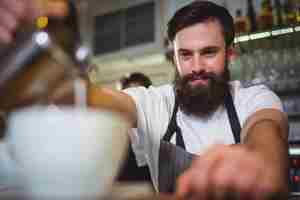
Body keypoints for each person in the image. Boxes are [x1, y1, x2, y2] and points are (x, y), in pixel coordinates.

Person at [0, 0, 289, 199]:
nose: (197, 66)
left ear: (230, 55)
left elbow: (267, 136)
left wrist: (260, 166)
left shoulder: (255, 99)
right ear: (174, 59)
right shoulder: (157, 103)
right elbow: (93, 97)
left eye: (209, 52)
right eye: (185, 55)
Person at [118, 72, 152, 187]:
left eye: (139, 96)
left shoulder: (162, 127)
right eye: (129, 97)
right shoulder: (116, 134)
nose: (135, 101)